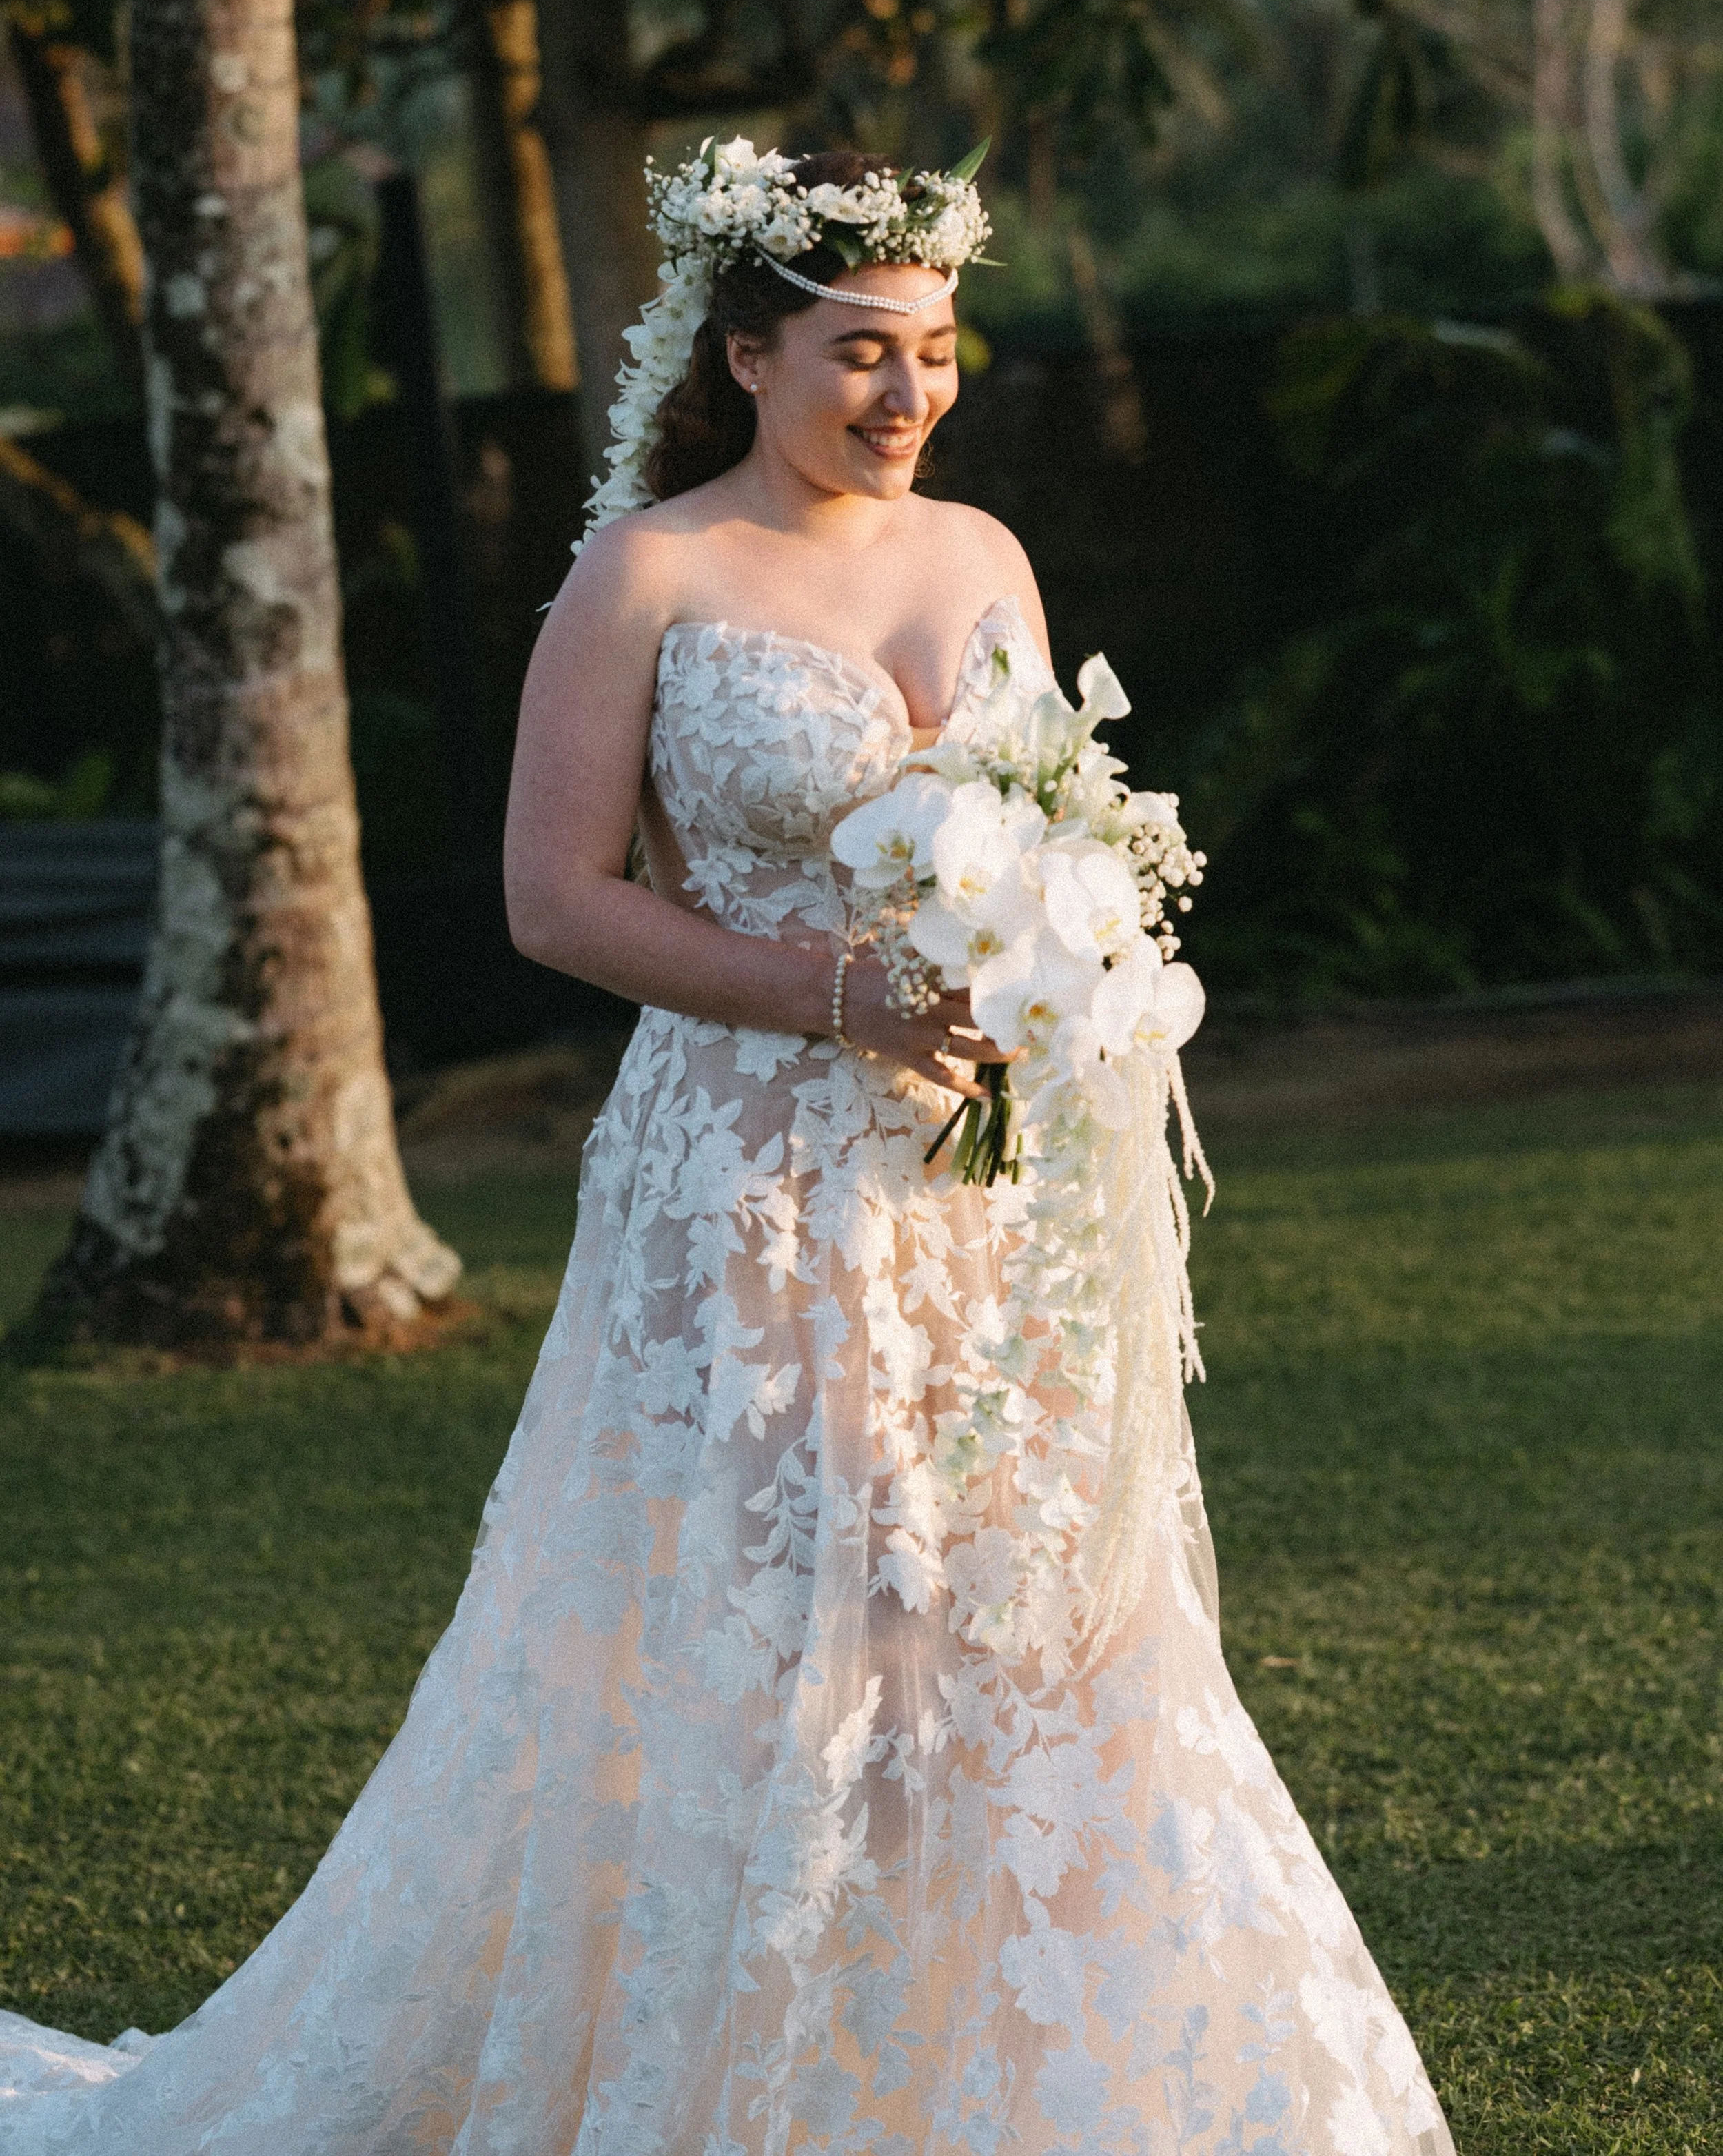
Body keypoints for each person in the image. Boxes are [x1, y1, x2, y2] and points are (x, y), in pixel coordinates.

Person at [0, 143, 1454, 2155]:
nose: (908, 391)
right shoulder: (650, 576)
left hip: (982, 1187)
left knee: (1024, 1613)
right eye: (862, 351)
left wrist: (1065, 963)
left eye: (934, 347)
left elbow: (1048, 829)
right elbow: (551, 901)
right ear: (748, 353)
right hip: (753, 1183)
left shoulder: (985, 553)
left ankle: (999, 2067)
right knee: (795, 1621)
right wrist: (831, 992)